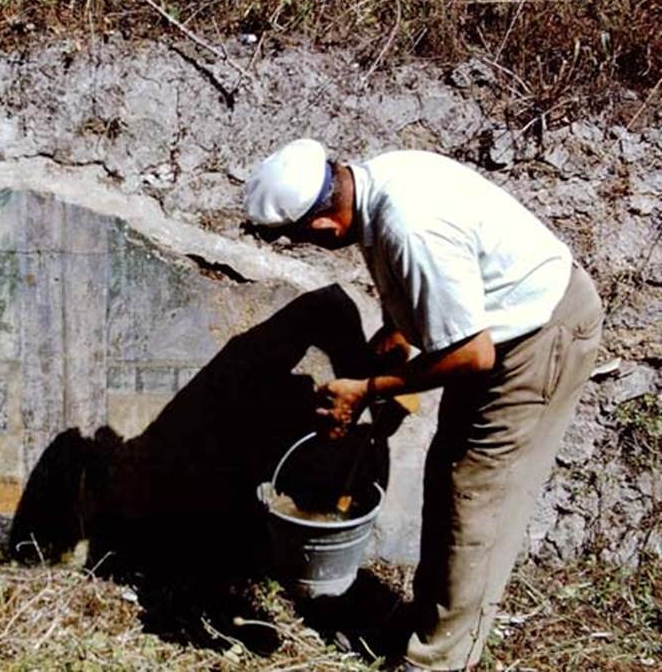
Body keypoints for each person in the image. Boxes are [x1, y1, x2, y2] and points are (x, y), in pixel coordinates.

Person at [243, 139, 603, 671]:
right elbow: (434, 278)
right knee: (449, 473)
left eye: (300, 239)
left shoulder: (409, 226)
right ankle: (428, 622)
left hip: (540, 334)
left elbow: (472, 355)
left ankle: (438, 659)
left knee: (476, 496)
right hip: (500, 327)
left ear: (323, 226)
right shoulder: (371, 186)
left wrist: (369, 389)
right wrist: (399, 328)